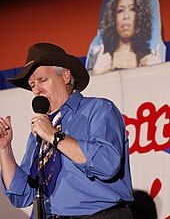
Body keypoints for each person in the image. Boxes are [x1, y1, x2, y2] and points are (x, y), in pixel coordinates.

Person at [0, 42, 134, 219]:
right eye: (32, 84)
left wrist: (55, 136)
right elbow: (22, 194)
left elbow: (107, 164)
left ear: (65, 76)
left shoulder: (98, 109)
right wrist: (5, 149)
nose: (37, 90)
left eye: (42, 80)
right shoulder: (41, 129)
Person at [86, 0, 166, 75]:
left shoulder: (150, 58)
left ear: (140, 15)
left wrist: (157, 71)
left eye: (132, 9)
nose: (126, 16)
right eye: (120, 10)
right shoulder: (98, 58)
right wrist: (96, 74)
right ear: (113, 16)